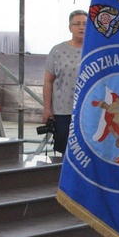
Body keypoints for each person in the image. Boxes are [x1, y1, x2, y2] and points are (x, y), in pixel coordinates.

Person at [42, 9, 87, 154]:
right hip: (63, 111)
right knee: (63, 150)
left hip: (88, 111)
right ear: (70, 28)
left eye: (85, 24)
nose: (81, 27)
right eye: (77, 24)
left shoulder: (94, 50)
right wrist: (47, 108)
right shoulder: (57, 51)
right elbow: (48, 81)